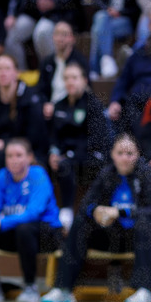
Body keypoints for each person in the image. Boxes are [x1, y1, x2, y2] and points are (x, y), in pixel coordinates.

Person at [41, 133, 151, 302]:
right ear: (112, 155)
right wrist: (96, 211)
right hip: (112, 236)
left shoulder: (147, 173)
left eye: (129, 153)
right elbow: (86, 206)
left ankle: (144, 291)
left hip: (144, 238)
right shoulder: (107, 173)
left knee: (145, 222)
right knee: (80, 223)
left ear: (138, 155)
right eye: (120, 153)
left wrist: (120, 212)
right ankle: (63, 290)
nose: (124, 158)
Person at [0, 138, 61, 302]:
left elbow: (33, 213)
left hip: (46, 235)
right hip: (15, 233)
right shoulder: (1, 176)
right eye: (9, 156)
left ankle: (30, 286)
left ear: (30, 157)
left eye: (19, 155)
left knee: (24, 228)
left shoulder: (38, 174)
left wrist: (0, 223)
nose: (14, 160)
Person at [48, 61, 111, 228]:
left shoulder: (93, 104)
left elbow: (97, 140)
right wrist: (53, 152)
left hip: (90, 155)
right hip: (65, 156)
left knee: (67, 165)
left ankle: (68, 211)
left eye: (74, 78)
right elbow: (54, 135)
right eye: (67, 78)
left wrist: (68, 154)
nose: (70, 82)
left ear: (84, 80)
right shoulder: (59, 105)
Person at [0, 55, 47, 194]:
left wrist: (3, 144)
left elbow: (34, 138)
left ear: (16, 72)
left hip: (29, 151)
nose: (2, 73)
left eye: (7, 68)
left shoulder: (30, 97)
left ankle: (0, 204)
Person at [108, 5, 151, 140]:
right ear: (149, 25)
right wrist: (115, 101)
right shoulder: (138, 53)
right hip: (136, 105)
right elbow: (123, 80)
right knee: (110, 115)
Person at [36, 20, 86, 116]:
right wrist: (45, 104)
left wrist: (57, 107)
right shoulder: (47, 62)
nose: (60, 38)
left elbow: (83, 91)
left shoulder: (80, 62)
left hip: (71, 110)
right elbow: (41, 89)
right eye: (57, 34)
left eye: (64, 34)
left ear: (72, 38)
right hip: (48, 109)